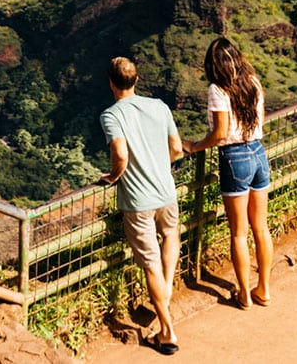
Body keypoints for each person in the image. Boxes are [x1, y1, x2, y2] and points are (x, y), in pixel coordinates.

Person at [100, 56, 185, 355]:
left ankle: (168, 330)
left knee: (150, 263)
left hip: (137, 201)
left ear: (111, 83)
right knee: (172, 235)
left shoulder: (111, 115)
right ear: (136, 80)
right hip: (166, 190)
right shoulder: (160, 106)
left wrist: (113, 176)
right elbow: (176, 148)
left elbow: (120, 155)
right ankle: (167, 289)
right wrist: (160, 166)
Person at [183, 37, 273, 309]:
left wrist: (195, 146)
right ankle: (264, 289)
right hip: (258, 151)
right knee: (261, 226)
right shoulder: (253, 82)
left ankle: (244, 293)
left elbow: (220, 133)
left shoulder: (218, 90)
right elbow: (261, 119)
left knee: (238, 233)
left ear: (213, 65)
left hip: (234, 157)